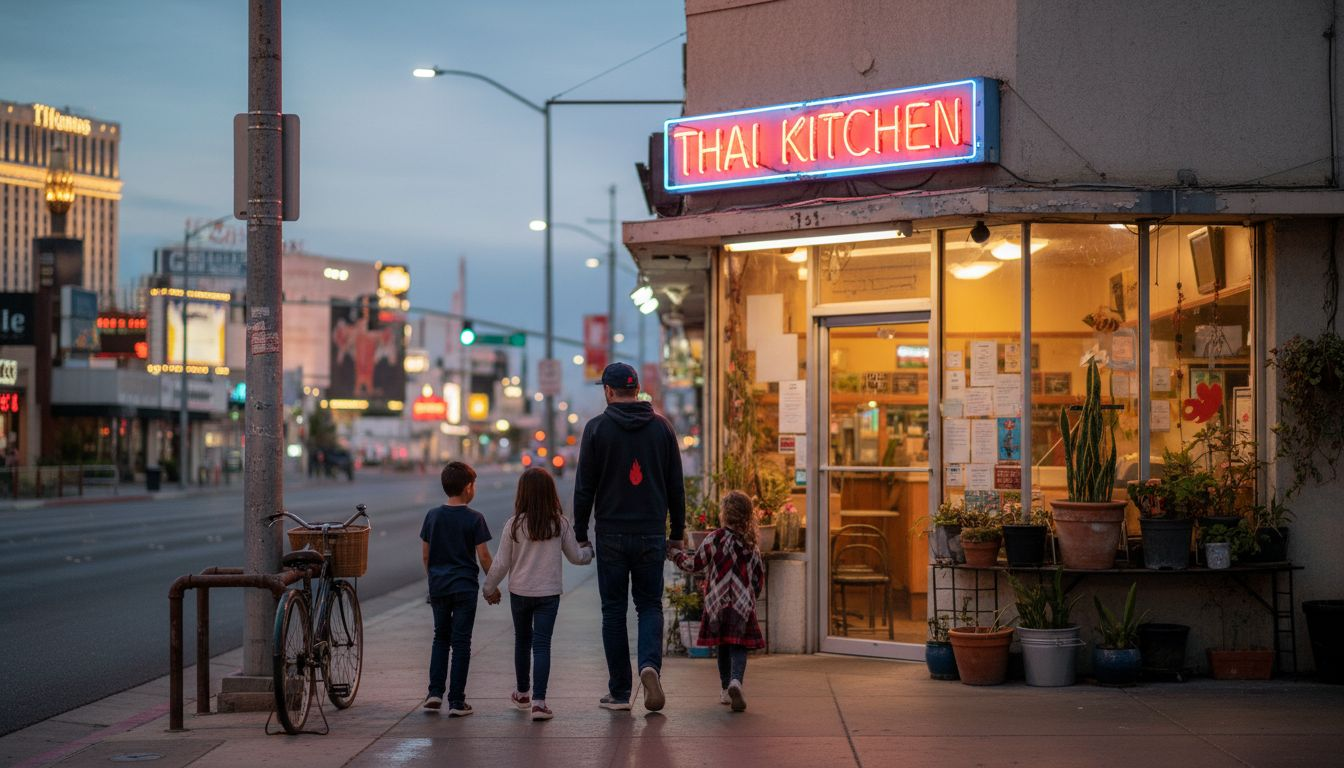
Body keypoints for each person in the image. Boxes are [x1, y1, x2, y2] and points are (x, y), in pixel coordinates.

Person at [573, 362, 686, 712]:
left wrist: (580, 534)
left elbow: (584, 487)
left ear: (608, 391)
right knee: (649, 605)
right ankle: (649, 665)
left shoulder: (596, 429)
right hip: (651, 532)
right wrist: (677, 534)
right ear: (636, 390)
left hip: (611, 533)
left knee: (613, 611)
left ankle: (620, 692)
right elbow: (676, 487)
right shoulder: (662, 428)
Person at [483, 468, 594, 721]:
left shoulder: (514, 525)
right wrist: (589, 552)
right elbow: (576, 557)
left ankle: (523, 693)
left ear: (522, 494)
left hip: (520, 592)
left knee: (522, 641)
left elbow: (501, 563)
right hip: (548, 593)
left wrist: (488, 588)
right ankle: (540, 703)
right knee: (542, 644)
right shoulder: (559, 523)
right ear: (549, 493)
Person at [670, 491, 765, 712]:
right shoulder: (751, 544)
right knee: (739, 645)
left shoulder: (715, 538)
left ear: (725, 513)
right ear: (748, 516)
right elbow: (758, 578)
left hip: (717, 604)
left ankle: (724, 689)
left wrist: (675, 554)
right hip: (742, 605)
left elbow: (694, 564)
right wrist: (752, 596)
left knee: (722, 645)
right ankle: (736, 681)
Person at [420, 461, 494, 717]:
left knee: (440, 637)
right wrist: (492, 585)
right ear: (468, 488)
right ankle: (456, 702)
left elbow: (426, 555)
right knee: (461, 642)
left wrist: (433, 579)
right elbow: (484, 556)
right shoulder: (475, 518)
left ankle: (434, 693)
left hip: (439, 587)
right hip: (464, 587)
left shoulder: (432, 516)